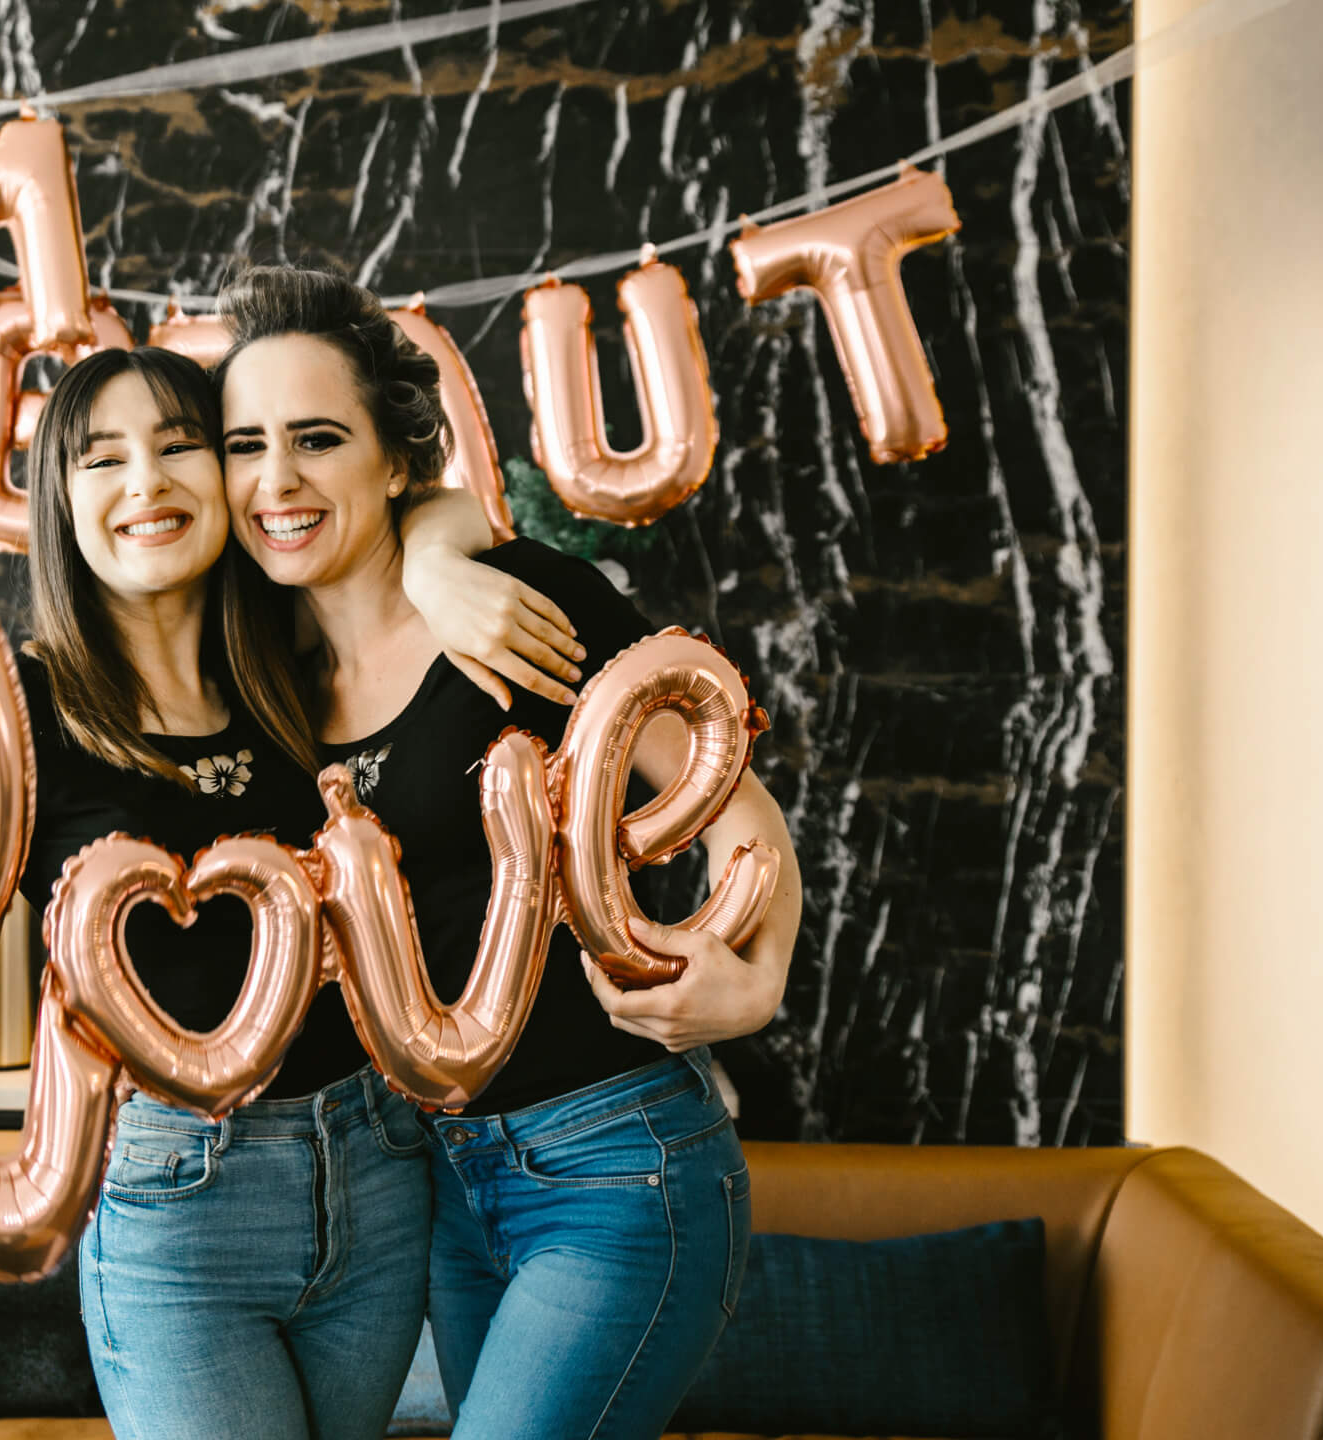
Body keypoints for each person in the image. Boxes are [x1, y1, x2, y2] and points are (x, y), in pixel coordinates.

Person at [0, 342, 584, 1440]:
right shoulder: (16, 713)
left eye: (180, 445)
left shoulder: (296, 657)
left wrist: (435, 564)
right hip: (175, 1202)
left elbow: (432, 507)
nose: (148, 483)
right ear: (60, 501)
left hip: (376, 1172)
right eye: (103, 459)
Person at [211, 265, 806, 1440]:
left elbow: (743, 809)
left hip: (616, 1166)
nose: (276, 480)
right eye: (244, 444)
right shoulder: (248, 663)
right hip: (428, 1189)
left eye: (318, 439)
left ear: (393, 461)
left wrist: (758, 982)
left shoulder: (519, 605)